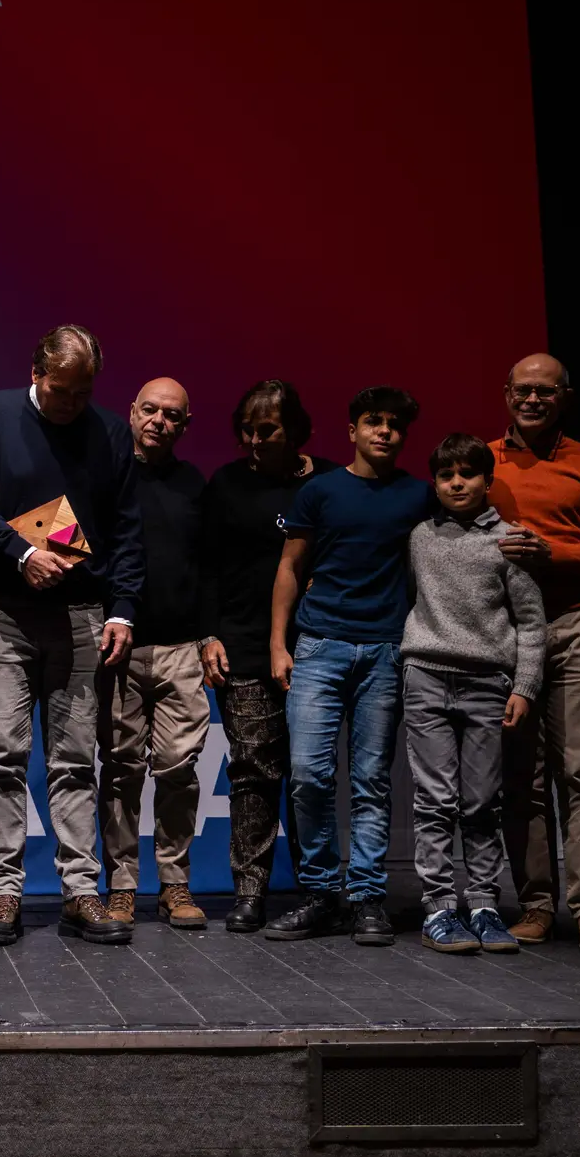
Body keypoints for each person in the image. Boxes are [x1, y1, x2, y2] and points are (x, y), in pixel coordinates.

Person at [0, 324, 146, 946]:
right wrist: (21, 554)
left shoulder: (109, 432)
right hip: (3, 611)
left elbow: (127, 530)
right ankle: (4, 893)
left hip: (82, 613)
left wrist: (123, 610)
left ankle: (81, 892)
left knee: (73, 759)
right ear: (36, 373)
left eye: (85, 392)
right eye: (63, 391)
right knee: (2, 754)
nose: (73, 404)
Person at [267, 386, 434, 945]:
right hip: (319, 646)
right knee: (309, 776)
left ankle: (366, 897)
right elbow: (290, 567)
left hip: (385, 650)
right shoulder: (320, 491)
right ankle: (320, 894)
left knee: (370, 782)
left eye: (394, 425)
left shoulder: (419, 495)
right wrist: (279, 644)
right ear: (352, 430)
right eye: (373, 422)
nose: (384, 431)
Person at [489, 353, 580, 953]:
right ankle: (535, 904)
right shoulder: (483, 461)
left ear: (564, 398)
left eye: (545, 391)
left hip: (578, 624)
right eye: (523, 390)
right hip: (505, 634)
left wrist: (555, 553)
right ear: (506, 393)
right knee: (520, 778)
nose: (533, 400)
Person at [197, 381, 339, 932]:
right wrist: (209, 635)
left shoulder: (329, 483)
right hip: (244, 647)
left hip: (318, 648)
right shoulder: (227, 484)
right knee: (253, 770)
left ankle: (319, 892)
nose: (254, 441)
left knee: (311, 774)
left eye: (267, 430)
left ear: (296, 430)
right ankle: (250, 892)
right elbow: (206, 566)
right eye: (247, 431)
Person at [402, 433, 545, 955]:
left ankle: (484, 905)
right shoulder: (420, 537)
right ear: (435, 483)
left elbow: (531, 623)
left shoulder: (509, 542)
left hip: (488, 684)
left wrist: (524, 686)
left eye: (467, 474)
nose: (457, 483)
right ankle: (440, 909)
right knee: (435, 800)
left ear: (488, 481)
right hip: (426, 677)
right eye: (446, 475)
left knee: (482, 801)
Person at [97, 378, 209, 940]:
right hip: (119, 647)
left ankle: (174, 883)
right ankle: (121, 885)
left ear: (185, 425)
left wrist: (208, 633)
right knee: (121, 770)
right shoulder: (105, 477)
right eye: (149, 410)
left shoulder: (194, 485)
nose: (158, 421)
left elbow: (208, 566)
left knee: (179, 769)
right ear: (132, 411)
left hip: (181, 647)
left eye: (171, 415)